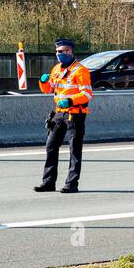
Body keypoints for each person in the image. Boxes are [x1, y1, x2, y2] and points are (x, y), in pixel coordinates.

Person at [35, 38, 92, 193]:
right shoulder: (56, 69)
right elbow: (48, 89)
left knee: (74, 149)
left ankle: (71, 184)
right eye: (59, 52)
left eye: (65, 51)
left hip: (75, 114)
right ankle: (48, 182)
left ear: (71, 51)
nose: (62, 54)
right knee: (51, 146)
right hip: (59, 114)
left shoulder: (80, 70)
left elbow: (87, 94)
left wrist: (70, 101)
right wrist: (43, 82)